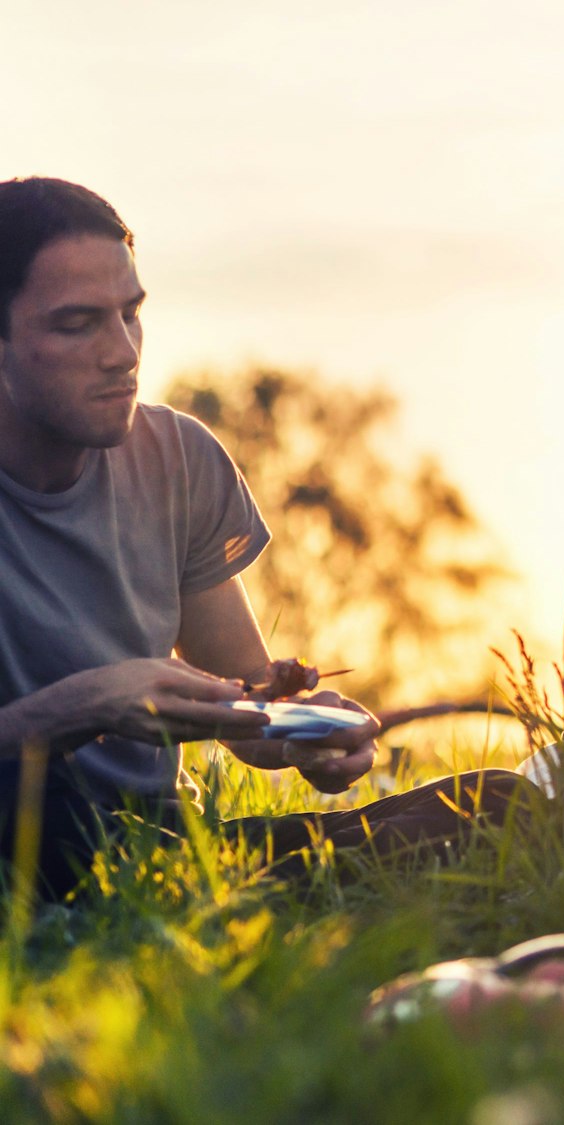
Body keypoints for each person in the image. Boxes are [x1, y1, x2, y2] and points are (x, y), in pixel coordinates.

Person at [0, 177, 533, 897]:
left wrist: (306, 731)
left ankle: (241, 891)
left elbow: (246, 713)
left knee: (500, 803)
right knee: (53, 809)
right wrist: (86, 705)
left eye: (131, 316)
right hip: (26, 834)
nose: (122, 352)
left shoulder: (178, 457)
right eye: (77, 324)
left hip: (157, 847)